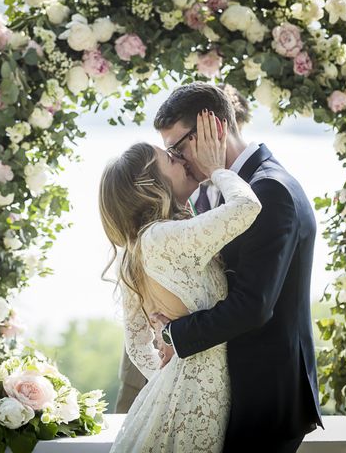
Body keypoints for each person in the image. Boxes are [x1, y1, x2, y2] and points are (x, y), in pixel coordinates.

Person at [152, 82, 323, 452]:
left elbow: (253, 305)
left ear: (213, 127)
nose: (178, 162)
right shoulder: (237, 188)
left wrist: (174, 334)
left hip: (265, 397)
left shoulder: (269, 190)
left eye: (178, 149)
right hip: (247, 390)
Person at [99, 111, 262, 452]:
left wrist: (166, 375)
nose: (180, 159)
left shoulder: (143, 241)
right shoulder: (163, 238)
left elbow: (136, 343)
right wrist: (219, 168)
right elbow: (246, 206)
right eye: (169, 159)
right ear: (151, 184)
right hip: (197, 398)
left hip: (180, 393)